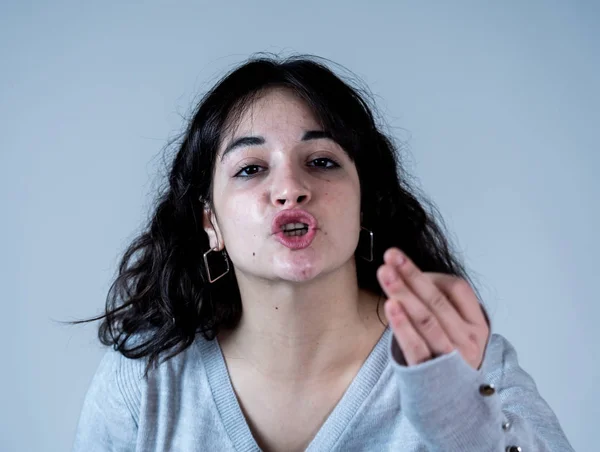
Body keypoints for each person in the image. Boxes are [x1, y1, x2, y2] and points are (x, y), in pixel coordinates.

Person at [72, 54, 574, 452]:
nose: (290, 188)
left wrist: (462, 418)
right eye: (250, 168)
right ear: (211, 223)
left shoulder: (458, 357)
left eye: (321, 161)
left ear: (363, 205)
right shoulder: (143, 382)